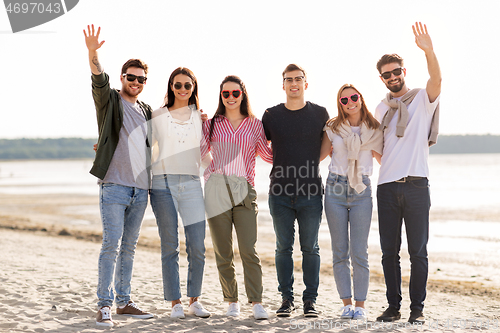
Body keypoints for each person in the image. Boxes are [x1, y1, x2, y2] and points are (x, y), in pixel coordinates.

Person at [84, 24, 154, 327]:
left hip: (141, 190)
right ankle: (104, 305)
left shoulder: (148, 110)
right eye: (131, 77)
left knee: (129, 247)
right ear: (123, 78)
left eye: (141, 78)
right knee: (111, 244)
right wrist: (93, 53)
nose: (136, 82)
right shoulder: (110, 101)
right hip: (114, 185)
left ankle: (125, 301)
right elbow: (99, 79)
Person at [374, 22, 441, 324]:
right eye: (386, 74)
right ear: (382, 78)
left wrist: (429, 50)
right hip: (387, 187)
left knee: (418, 252)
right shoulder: (380, 108)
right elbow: (377, 147)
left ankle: (417, 309)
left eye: (395, 71)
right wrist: (390, 165)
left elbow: (437, 78)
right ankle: (393, 306)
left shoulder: (422, 100)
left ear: (403, 71)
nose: (392, 77)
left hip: (416, 186)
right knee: (390, 252)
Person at [201, 75, 272, 320]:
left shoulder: (255, 124)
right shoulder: (210, 124)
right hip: (216, 190)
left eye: (235, 93)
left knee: (248, 250)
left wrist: (298, 142)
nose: (230, 97)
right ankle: (231, 301)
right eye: (225, 94)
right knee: (223, 251)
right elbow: (199, 152)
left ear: (243, 94)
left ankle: (256, 302)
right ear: (221, 96)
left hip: (244, 191)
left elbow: (268, 155)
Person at [262, 64, 329, 318]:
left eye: (298, 79)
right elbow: (257, 143)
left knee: (310, 248)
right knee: (283, 248)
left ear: (305, 83)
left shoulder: (320, 113)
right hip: (279, 193)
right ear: (283, 85)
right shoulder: (271, 115)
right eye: (288, 80)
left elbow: (330, 144)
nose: (293, 83)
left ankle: (310, 301)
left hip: (311, 192)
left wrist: (311, 164)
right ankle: (286, 299)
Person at [149, 67, 211, 319]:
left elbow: (206, 154)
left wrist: (225, 175)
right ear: (171, 87)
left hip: (192, 184)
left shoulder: (201, 118)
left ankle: (194, 300)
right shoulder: (158, 115)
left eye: (188, 85)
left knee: (197, 245)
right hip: (162, 184)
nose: (183, 90)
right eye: (178, 85)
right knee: (170, 246)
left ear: (193, 88)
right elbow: (142, 148)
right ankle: (175, 302)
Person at [320, 84, 383, 320]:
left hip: (362, 190)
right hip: (335, 188)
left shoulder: (374, 129)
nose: (350, 103)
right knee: (339, 251)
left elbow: (383, 159)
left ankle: (361, 306)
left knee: (360, 252)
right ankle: (346, 304)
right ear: (340, 103)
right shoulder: (333, 127)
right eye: (344, 100)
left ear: (360, 98)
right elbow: (319, 155)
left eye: (353, 97)